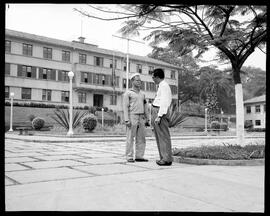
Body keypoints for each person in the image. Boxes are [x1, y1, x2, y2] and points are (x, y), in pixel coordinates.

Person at [123, 73, 150, 162]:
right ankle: (129, 156)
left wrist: (147, 118)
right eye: (137, 80)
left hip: (141, 117)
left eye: (140, 81)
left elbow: (145, 106)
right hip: (132, 116)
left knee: (141, 138)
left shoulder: (142, 94)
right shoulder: (128, 93)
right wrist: (127, 119)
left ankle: (139, 156)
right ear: (132, 81)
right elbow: (125, 107)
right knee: (130, 137)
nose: (139, 82)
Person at [151, 68, 173, 166]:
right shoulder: (162, 86)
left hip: (160, 111)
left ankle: (166, 159)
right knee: (160, 136)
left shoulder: (164, 86)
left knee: (163, 136)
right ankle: (164, 158)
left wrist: (159, 115)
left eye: (153, 77)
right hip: (158, 110)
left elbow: (164, 101)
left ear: (157, 77)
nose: (152, 79)